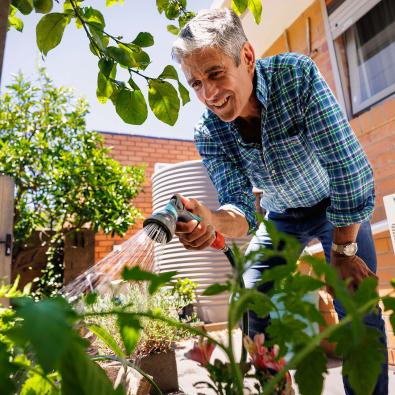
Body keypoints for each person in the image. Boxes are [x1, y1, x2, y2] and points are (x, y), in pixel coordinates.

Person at [171, 8, 388, 395]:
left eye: (216, 74)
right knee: (251, 295)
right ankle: (275, 385)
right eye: (196, 84)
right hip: (281, 214)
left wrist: (343, 250)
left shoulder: (296, 77)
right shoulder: (209, 133)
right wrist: (212, 220)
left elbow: (350, 171)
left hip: (333, 205)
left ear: (248, 58)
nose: (209, 95)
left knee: (356, 304)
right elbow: (240, 210)